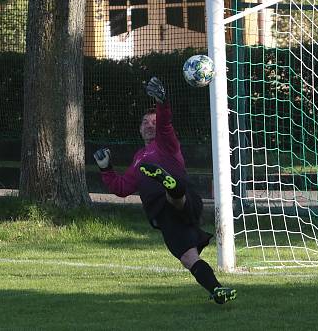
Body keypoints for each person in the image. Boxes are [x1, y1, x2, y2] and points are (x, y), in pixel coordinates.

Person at [93, 76, 237, 304]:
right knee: (189, 258)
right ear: (139, 130)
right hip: (167, 216)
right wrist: (106, 169)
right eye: (145, 123)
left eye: (153, 122)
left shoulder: (167, 144)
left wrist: (162, 103)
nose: (150, 125)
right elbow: (121, 188)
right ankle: (217, 290)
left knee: (174, 196)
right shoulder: (138, 159)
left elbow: (165, 124)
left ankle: (172, 188)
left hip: (179, 200)